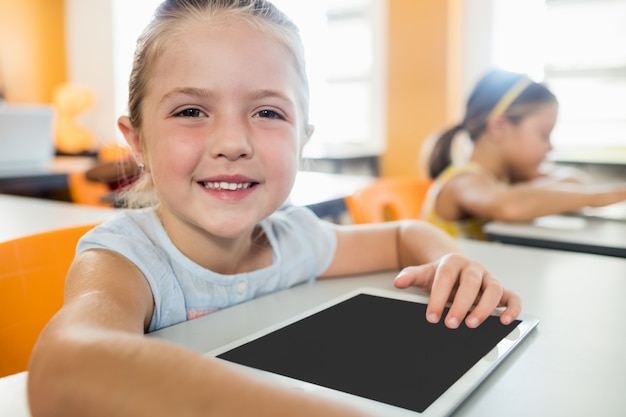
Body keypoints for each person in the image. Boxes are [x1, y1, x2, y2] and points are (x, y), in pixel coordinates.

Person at [27, 2, 521, 416]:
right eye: (191, 111)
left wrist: (447, 260)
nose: (232, 142)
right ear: (138, 142)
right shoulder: (127, 260)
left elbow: (402, 235)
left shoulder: (294, 240)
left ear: (303, 140)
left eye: (268, 112)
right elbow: (65, 367)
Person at [422, 68, 626, 239]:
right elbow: (509, 206)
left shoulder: (505, 178)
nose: (550, 147)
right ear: (499, 127)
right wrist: (606, 195)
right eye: (543, 135)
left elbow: (575, 181)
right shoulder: (463, 181)